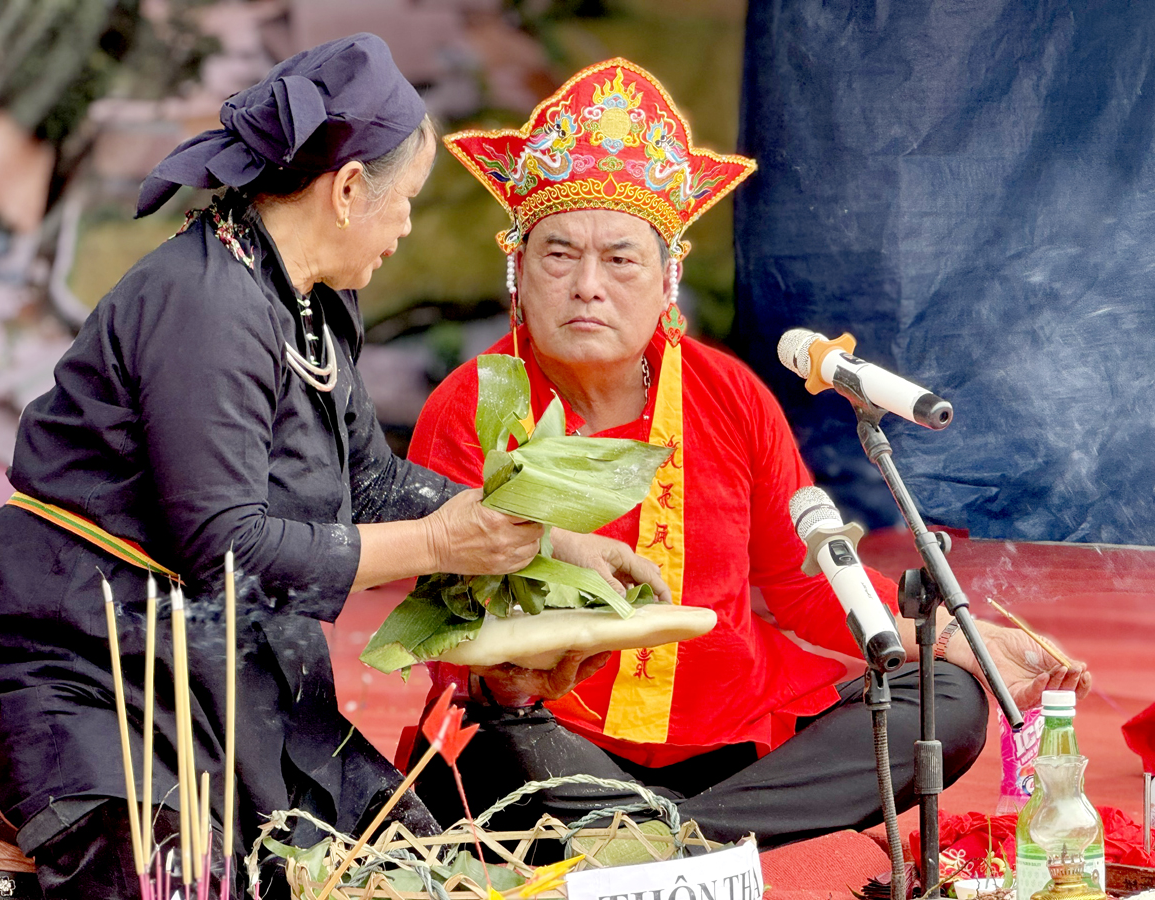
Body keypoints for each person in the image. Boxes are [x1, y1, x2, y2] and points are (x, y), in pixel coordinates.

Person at [0, 37, 661, 899]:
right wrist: (441, 542)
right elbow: (228, 548)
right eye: (402, 200)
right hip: (86, 644)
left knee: (401, 872)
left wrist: (555, 543)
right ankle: (22, 796)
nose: (405, 224)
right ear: (349, 188)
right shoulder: (205, 303)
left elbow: (366, 481)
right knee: (189, 881)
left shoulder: (313, 300)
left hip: (222, 649)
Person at [406, 58, 1092, 847]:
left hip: (739, 751)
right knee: (490, 752)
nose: (587, 285)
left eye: (621, 259)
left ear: (667, 280)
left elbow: (806, 585)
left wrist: (961, 642)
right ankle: (682, 843)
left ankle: (672, 839)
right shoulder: (472, 401)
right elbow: (441, 620)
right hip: (553, 742)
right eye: (559, 255)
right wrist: (506, 679)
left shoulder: (727, 392)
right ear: (517, 272)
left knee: (948, 703)